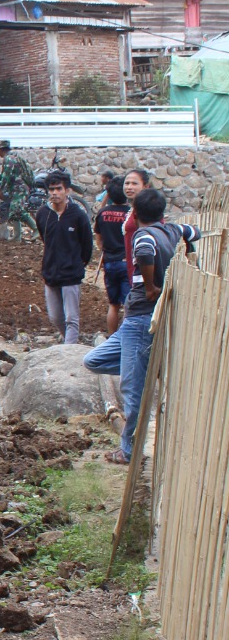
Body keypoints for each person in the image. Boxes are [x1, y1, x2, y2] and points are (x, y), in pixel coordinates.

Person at [84, 189, 198, 465]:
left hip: (141, 318)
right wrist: (191, 249)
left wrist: (150, 287)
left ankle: (129, 450)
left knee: (132, 392)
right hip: (135, 319)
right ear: (163, 213)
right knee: (94, 360)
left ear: (134, 213)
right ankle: (146, 366)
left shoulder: (143, 235)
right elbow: (194, 231)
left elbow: (145, 251)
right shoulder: (171, 229)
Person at [35, 169, 94, 345]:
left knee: (71, 318)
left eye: (59, 188)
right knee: (55, 317)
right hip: (50, 272)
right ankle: (70, 343)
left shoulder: (78, 215)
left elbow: (87, 245)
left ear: (67, 190)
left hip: (71, 272)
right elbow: (45, 239)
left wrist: (77, 264)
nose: (55, 193)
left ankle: (69, 352)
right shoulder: (43, 214)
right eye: (51, 189)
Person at [93, 178, 130, 336]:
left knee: (113, 305)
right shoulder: (130, 214)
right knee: (129, 304)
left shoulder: (102, 213)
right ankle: (125, 337)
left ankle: (111, 337)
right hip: (127, 263)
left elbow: (98, 239)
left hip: (109, 262)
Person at [0, 139, 35, 242]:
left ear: (1, 150)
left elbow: (6, 176)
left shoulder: (9, 159)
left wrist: (1, 190)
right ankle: (17, 236)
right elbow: (5, 175)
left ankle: (36, 229)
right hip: (18, 189)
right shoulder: (15, 157)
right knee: (13, 212)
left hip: (19, 189)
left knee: (17, 209)